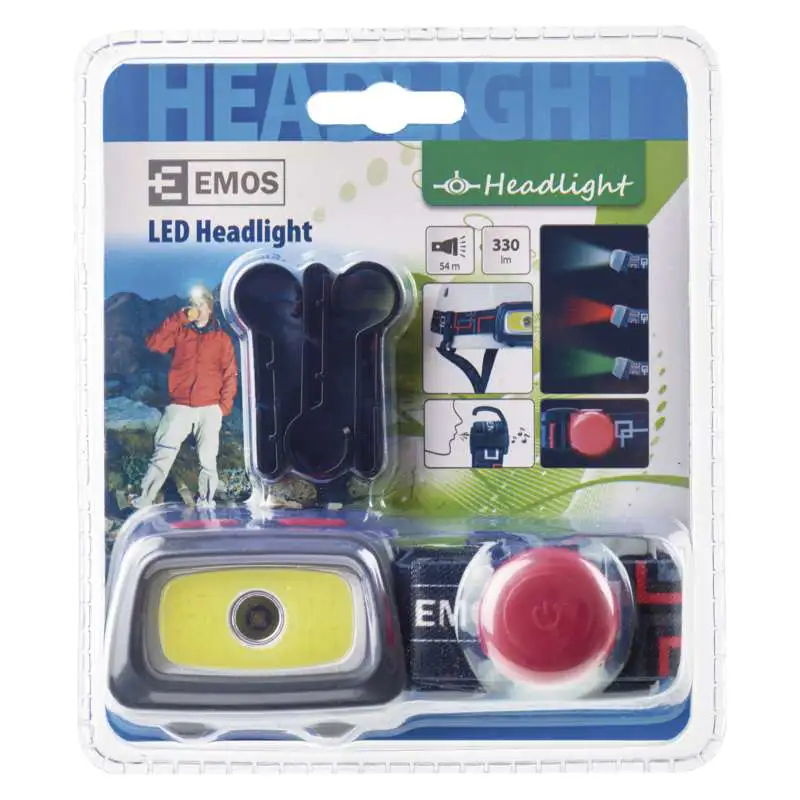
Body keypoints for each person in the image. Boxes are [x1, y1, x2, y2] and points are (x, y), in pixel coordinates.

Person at [132, 285, 237, 509]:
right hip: (179, 405)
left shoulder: (222, 339)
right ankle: (144, 499)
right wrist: (179, 317)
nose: (197, 308)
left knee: (208, 458)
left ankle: (206, 501)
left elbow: (230, 373)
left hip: (210, 407)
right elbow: (154, 343)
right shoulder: (181, 332)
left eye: (201, 304)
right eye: (193, 304)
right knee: (163, 452)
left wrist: (223, 407)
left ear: (209, 309)